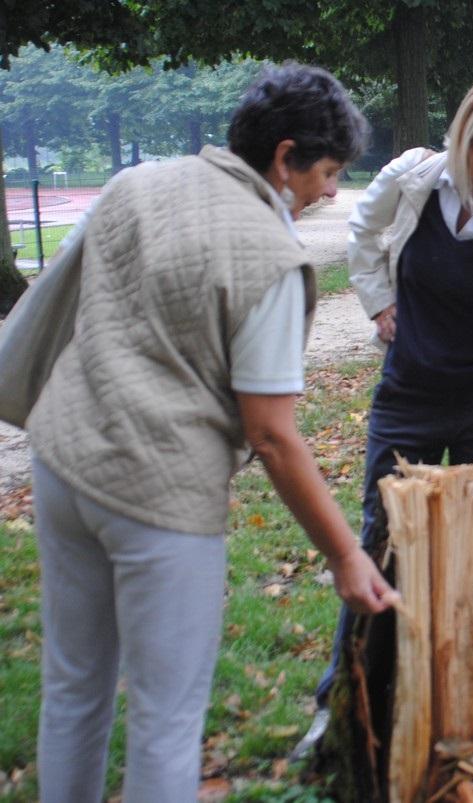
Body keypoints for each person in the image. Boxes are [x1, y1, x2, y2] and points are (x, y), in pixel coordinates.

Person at [0, 64, 400, 803]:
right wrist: (346, 554)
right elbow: (273, 435)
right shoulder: (271, 261)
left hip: (63, 466)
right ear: (285, 158)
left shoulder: (137, 184)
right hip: (159, 503)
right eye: (327, 172)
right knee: (165, 717)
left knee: (73, 686)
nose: (330, 192)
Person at [295, 77, 473, 753]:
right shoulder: (412, 180)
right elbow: (364, 231)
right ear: (464, 143)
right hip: (409, 395)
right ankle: (345, 705)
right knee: (381, 543)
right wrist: (377, 299)